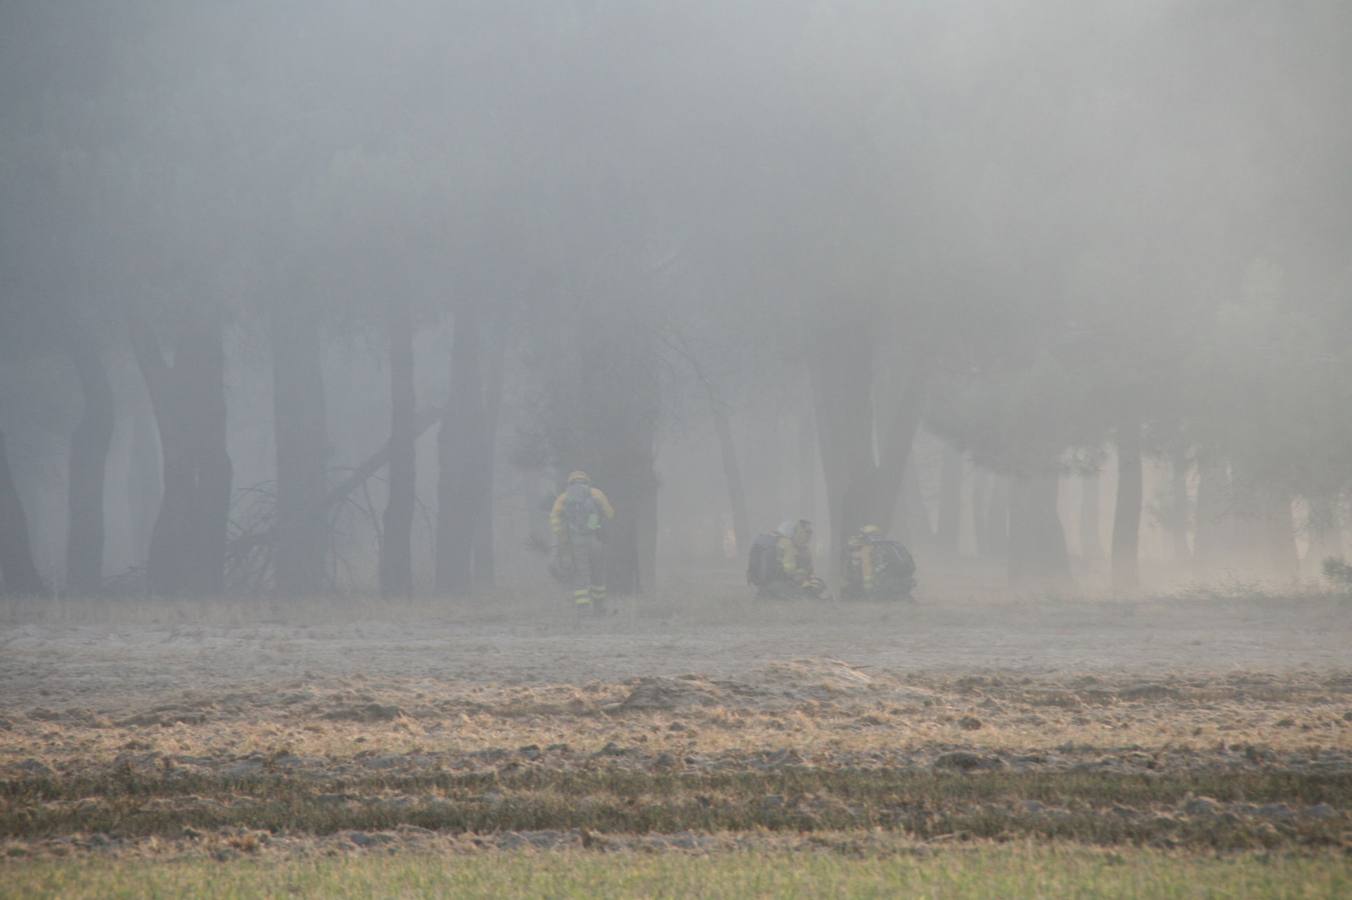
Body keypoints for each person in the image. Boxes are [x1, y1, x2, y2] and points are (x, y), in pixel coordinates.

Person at [550, 471, 615, 610]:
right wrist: (596, 523)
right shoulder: (596, 493)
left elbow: (555, 519)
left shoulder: (564, 497)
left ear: (570, 482)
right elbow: (610, 513)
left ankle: (583, 608)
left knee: (581, 573)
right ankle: (599, 607)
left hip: (575, 541)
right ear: (587, 481)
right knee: (598, 573)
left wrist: (563, 538)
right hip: (595, 539)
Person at [747, 518, 828, 600]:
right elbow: (790, 570)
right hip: (777, 583)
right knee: (805, 594)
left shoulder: (769, 541)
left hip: (761, 582)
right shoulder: (786, 543)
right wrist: (803, 579)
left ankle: (765, 594)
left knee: (808, 588)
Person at [842, 524, 916, 602]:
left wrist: (869, 591)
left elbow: (867, 572)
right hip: (904, 582)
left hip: (885, 586)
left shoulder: (869, 549)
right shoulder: (892, 544)